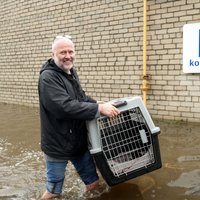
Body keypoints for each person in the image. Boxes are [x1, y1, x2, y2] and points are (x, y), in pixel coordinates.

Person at [38, 35, 120, 199]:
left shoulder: (70, 71)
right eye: (63, 52)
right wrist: (97, 108)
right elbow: (64, 106)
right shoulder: (48, 77)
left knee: (93, 184)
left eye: (71, 51)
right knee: (54, 191)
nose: (68, 56)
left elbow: (79, 97)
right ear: (53, 54)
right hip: (57, 145)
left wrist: (96, 102)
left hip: (78, 141)